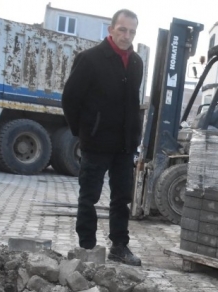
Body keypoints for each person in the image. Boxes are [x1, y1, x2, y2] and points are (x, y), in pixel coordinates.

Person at [62, 9, 144, 266]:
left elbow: (133, 102)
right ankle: (87, 246)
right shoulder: (89, 59)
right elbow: (70, 99)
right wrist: (84, 131)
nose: (126, 35)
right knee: (89, 196)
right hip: (96, 142)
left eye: (131, 31)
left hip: (124, 145)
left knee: (122, 198)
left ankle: (120, 246)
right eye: (122, 29)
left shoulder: (136, 63)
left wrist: (134, 136)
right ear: (111, 29)